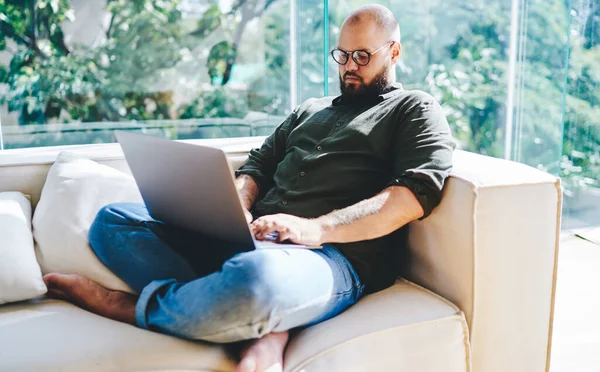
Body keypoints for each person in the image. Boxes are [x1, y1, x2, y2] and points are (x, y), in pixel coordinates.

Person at [43, 4, 455, 372]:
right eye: (342, 55)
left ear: (394, 52)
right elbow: (256, 167)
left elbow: (412, 196)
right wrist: (236, 208)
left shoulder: (414, 108)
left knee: (256, 282)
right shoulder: (308, 110)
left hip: (329, 257)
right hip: (251, 240)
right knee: (112, 222)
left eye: (363, 56)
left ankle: (135, 308)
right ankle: (265, 324)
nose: (349, 66)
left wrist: (314, 229)